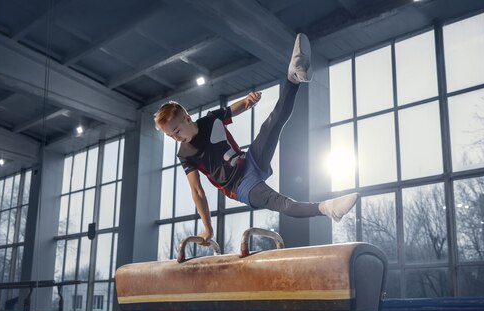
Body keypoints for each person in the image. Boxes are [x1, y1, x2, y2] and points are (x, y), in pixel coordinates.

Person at [154, 33, 359, 243]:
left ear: (187, 118)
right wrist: (208, 229)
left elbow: (231, 111)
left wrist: (247, 101)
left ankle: (293, 78)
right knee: (280, 203)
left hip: (249, 160)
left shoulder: (210, 120)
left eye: (176, 131)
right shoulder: (185, 155)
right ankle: (328, 209)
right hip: (240, 187)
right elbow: (197, 192)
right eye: (170, 136)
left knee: (273, 123)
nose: (175, 138)